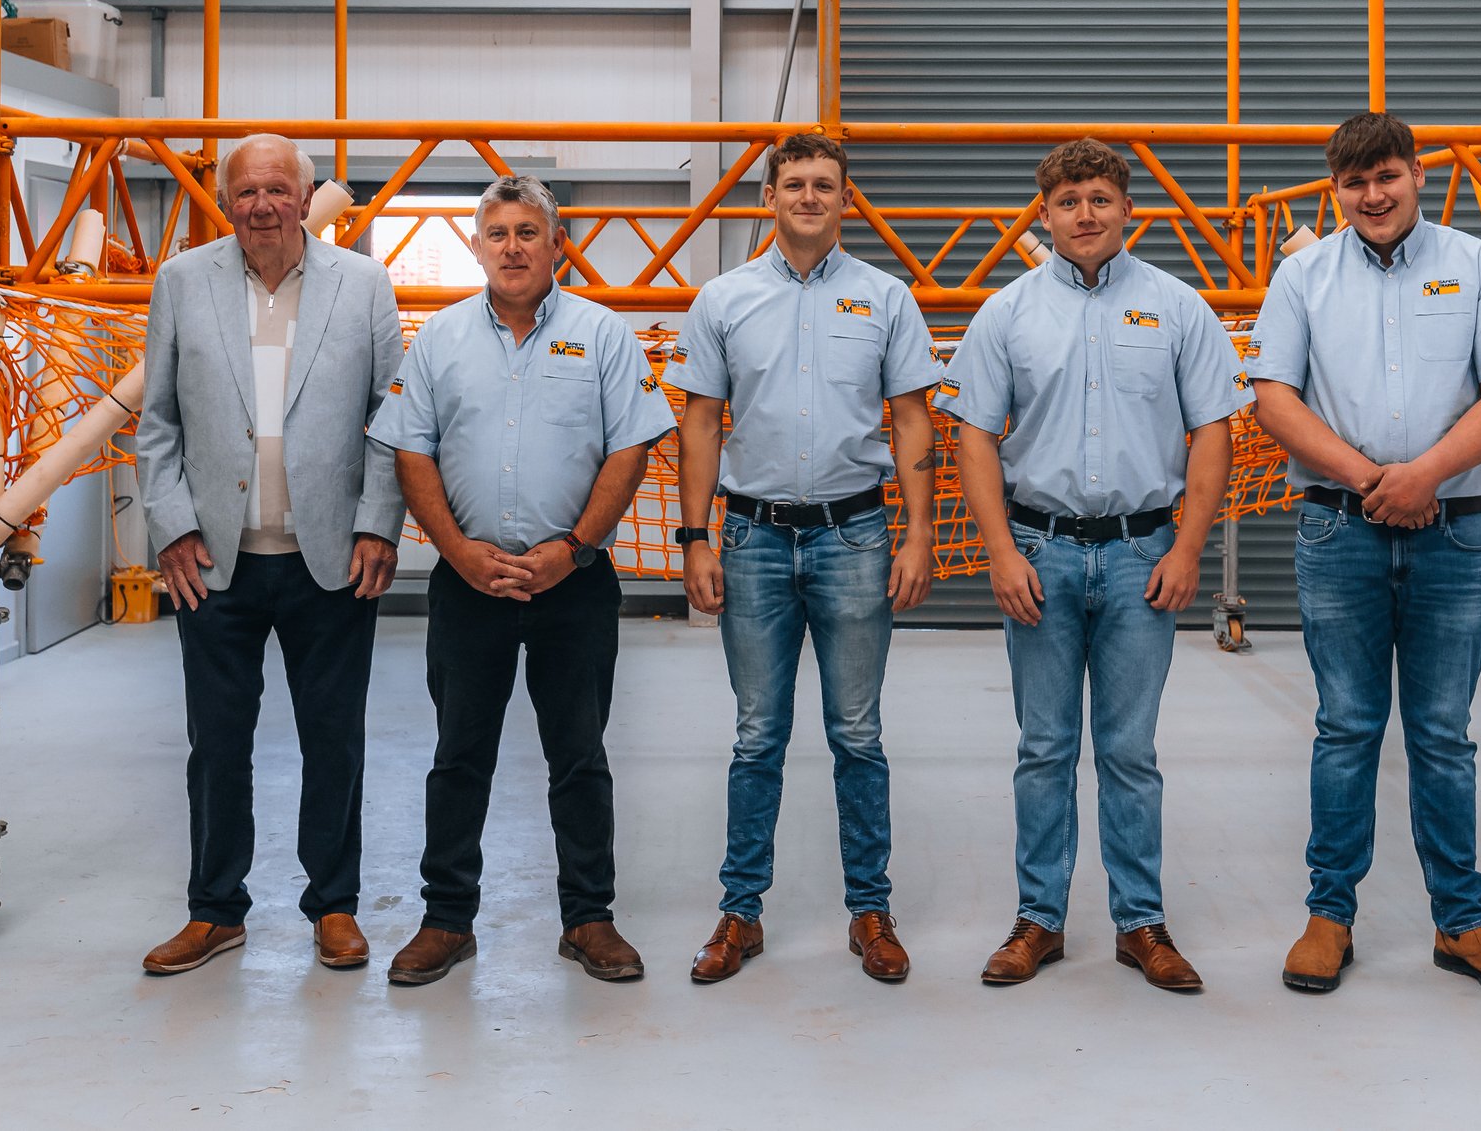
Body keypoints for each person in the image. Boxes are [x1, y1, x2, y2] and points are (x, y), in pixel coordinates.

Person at [1247, 110, 1481, 999]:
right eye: (1354, 182)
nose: (1372, 195)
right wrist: (1379, 479)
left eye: (1386, 176)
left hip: (1454, 531)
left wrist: (1427, 474)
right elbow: (1273, 397)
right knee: (1345, 728)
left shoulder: (1478, 266)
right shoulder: (1302, 276)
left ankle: (1461, 924)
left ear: (1418, 174)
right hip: (1338, 529)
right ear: (1335, 190)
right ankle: (1328, 915)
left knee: (1443, 736)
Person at [943, 138, 1245, 993]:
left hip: (1142, 559)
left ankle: (1140, 923)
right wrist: (1001, 551)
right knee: (1043, 747)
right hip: (1038, 554)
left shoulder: (1178, 308)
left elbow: (1215, 429)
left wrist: (1187, 545)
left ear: (1128, 211)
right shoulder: (1006, 313)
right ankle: (1038, 919)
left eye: (1100, 198)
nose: (1085, 213)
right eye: (1069, 199)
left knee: (1129, 749)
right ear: (1044, 214)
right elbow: (972, 435)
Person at [369, 174, 675, 987]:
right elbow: (410, 450)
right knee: (458, 754)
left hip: (572, 582)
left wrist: (573, 547)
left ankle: (589, 918)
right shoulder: (436, 340)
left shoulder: (605, 335)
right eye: (497, 233)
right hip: (468, 584)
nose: (512, 247)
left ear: (556, 243)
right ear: (477, 247)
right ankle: (446, 920)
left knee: (578, 754)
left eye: (527, 232)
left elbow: (631, 448)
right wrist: (457, 551)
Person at [671, 133, 942, 986]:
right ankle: (739, 913)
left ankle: (871, 910)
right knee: (757, 736)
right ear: (770, 197)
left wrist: (921, 534)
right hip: (750, 539)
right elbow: (701, 424)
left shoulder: (886, 299)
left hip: (854, 537)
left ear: (846, 199)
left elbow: (910, 424)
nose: (811, 196)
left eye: (826, 184)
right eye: (795, 183)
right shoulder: (722, 299)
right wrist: (695, 537)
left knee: (857, 733)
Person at [134, 132, 406, 977]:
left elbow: (396, 421)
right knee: (216, 741)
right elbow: (159, 425)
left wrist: (378, 525)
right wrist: (172, 524)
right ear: (227, 200)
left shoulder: (362, 285)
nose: (262, 205)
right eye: (246, 191)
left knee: (335, 739)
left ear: (306, 194)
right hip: (214, 562)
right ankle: (215, 910)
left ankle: (333, 905)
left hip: (331, 558)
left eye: (278, 189)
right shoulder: (182, 282)